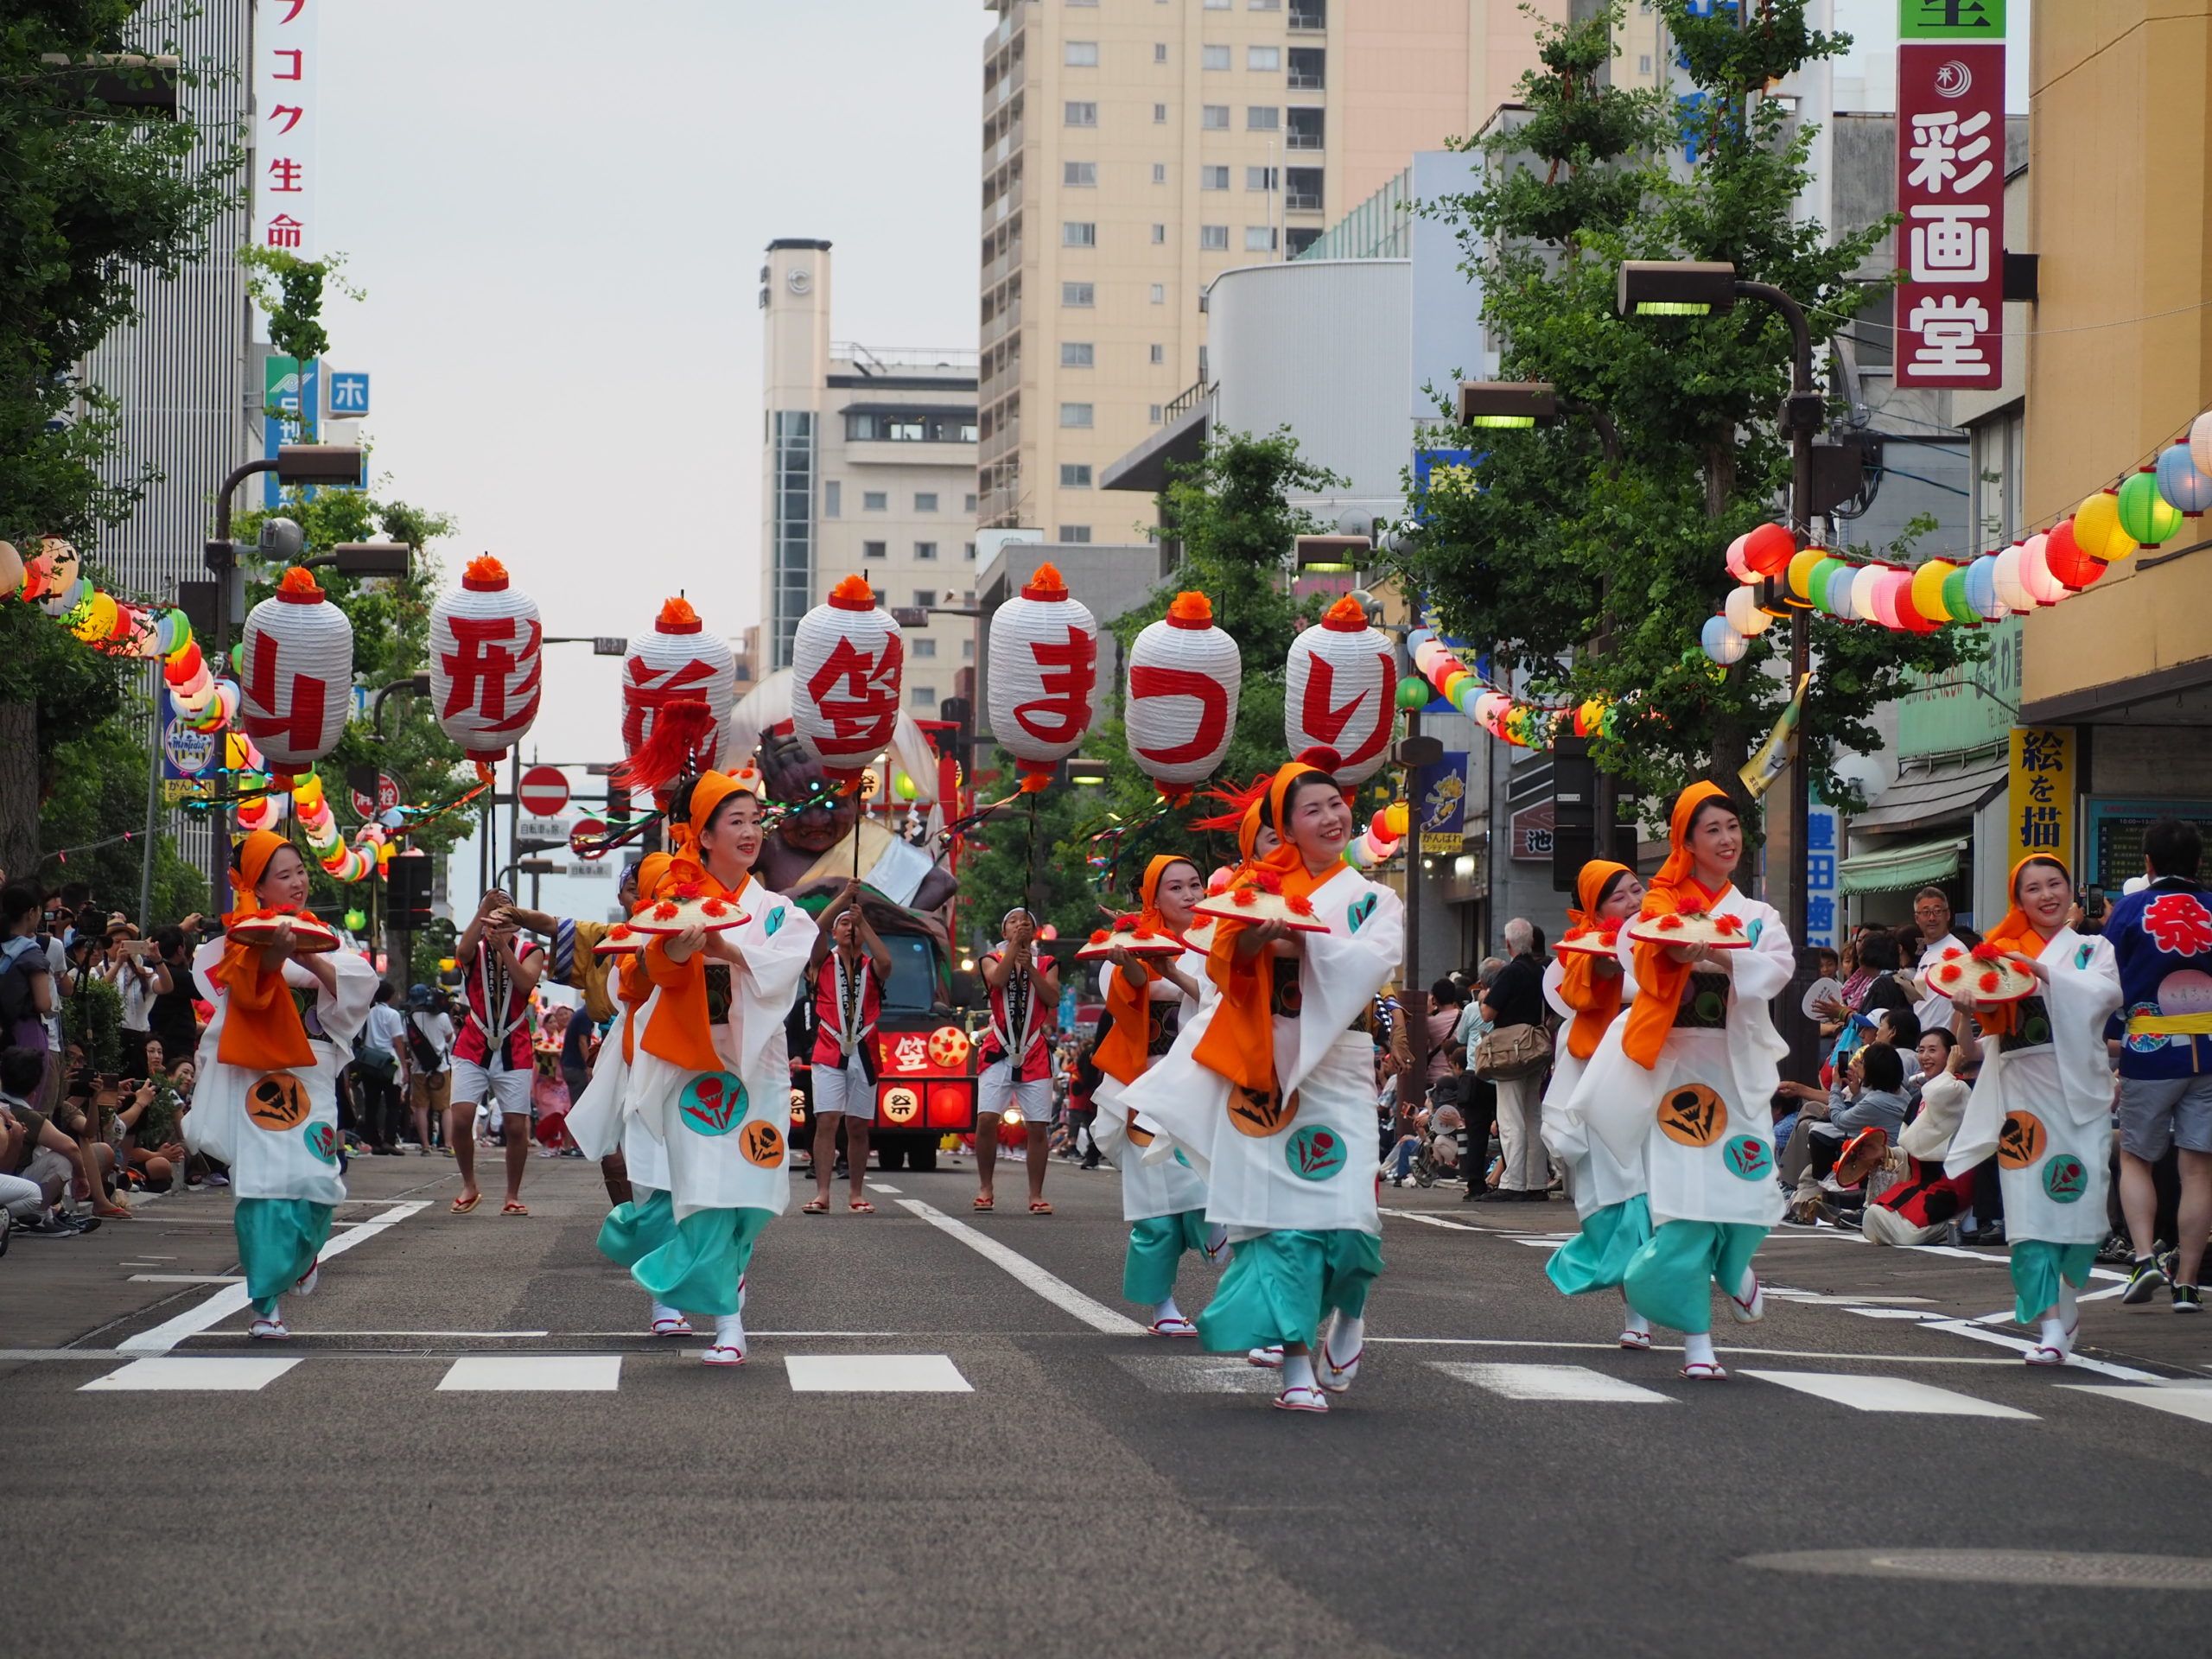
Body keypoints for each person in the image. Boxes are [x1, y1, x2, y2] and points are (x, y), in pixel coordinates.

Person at [1124, 758, 1407, 1413]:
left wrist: (1303, 948)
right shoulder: (1250, 896)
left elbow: (1370, 964)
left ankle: (1349, 1308)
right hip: (1263, 1069)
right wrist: (1257, 943)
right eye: (1313, 810)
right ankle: (1296, 1368)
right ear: (1285, 828)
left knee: (1352, 1226)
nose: (1332, 817)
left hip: (1338, 1064)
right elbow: (1222, 968)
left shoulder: (1373, 897)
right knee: (1279, 1227)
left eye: (1336, 803)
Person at [590, 772, 815, 1364]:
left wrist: (727, 948)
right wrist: (676, 948)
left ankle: (710, 1279)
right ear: (706, 836)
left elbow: (788, 962)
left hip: (758, 1073)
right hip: (695, 1072)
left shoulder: (776, 912)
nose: (750, 832)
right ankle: (729, 1326)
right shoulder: (674, 906)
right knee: (702, 1194)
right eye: (735, 822)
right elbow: (644, 977)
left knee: (750, 1194)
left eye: (755, 820)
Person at [1570, 783, 1789, 1382]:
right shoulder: (1656, 911)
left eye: (1732, 828)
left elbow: (1777, 968)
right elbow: (1633, 969)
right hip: (1679, 1075)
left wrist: (1718, 956)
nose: (1726, 840)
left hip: (1737, 1069)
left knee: (1751, 1193)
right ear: (1687, 842)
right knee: (1687, 1208)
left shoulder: (1756, 915)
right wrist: (1669, 953)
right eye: (1712, 830)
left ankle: (1735, 1266)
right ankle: (1698, 1341)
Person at [181, 831, 378, 1338]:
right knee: (261, 1187)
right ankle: (265, 1306)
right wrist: (275, 955)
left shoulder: (322, 933)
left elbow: (358, 989)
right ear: (258, 886)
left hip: (311, 1072)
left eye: (300, 871)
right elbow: (246, 990)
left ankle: (304, 1255)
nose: (297, 882)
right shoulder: (241, 938)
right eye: (283, 875)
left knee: (319, 1181)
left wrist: (311, 958)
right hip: (260, 1077)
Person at [1943, 855, 2122, 1364]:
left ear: (2071, 890)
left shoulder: (2093, 948)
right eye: (2033, 889)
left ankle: (2064, 1302)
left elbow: (2108, 996)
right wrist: (1967, 1008)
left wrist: (2041, 972)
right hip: (2021, 1098)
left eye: (2055, 884)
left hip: (2081, 1095)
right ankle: (2048, 1325)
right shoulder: (1996, 954)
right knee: (2028, 1214)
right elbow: (1977, 1035)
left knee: (2081, 1207)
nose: (2046, 896)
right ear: (2017, 900)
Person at [1089, 855, 1225, 1336]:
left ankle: (1216, 1238)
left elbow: (1225, 999)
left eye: (1196, 884)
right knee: (1155, 1208)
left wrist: (1174, 966)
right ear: (1154, 898)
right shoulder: (1128, 944)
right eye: (1176, 888)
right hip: (1143, 1087)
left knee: (1210, 1183)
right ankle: (1162, 1305)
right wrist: (1134, 958)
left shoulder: (1221, 942)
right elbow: (1126, 995)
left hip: (1201, 1083)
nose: (1190, 895)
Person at [1539, 860, 1654, 1348]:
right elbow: (1592, 977)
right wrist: (1612, 953)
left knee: (1661, 1198)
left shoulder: (1664, 937)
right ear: (1595, 908)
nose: (1634, 901)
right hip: (1600, 1080)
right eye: (1618, 897)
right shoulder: (1583, 952)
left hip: (1658, 1074)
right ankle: (1638, 1317)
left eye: (1636, 889)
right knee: (1620, 1199)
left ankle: (1720, 1284)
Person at [2102, 817, 2212, 1311]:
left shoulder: (2128, 911)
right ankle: (2187, 1283)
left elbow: (2106, 986)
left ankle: (2145, 1257)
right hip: (2209, 1050)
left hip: (2148, 1050)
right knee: (2197, 1170)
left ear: (2146, 865)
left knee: (2136, 1158)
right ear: (2198, 863)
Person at [447, 889, 544, 1215]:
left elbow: (526, 984)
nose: (499, 925)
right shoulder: (475, 950)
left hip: (514, 1042)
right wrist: (483, 909)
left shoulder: (531, 950)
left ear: (516, 923)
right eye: (494, 918)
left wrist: (505, 948)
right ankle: (469, 1185)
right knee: (460, 1119)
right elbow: (461, 951)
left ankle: (512, 1195)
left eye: (506, 918)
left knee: (516, 1127)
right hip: (473, 1040)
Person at [802, 879, 893, 1215]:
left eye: (851, 925)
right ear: (835, 933)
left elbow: (886, 963)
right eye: (843, 925)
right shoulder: (822, 962)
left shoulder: (872, 966)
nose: (848, 929)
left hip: (866, 1050)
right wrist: (843, 900)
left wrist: (862, 920)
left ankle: (856, 1192)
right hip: (829, 1048)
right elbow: (816, 930)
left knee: (857, 1124)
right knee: (827, 1119)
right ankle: (822, 1193)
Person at [975, 906, 1058, 1215]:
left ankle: (1035, 1195)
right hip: (998, 1046)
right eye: (1012, 922)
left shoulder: (1047, 962)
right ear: (1004, 932)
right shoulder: (990, 959)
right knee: (986, 1119)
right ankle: (986, 1187)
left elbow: (1052, 999)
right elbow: (997, 982)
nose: (1019, 925)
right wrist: (1015, 951)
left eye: (1026, 923)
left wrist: (1031, 968)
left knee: (1037, 1125)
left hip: (1034, 1049)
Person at [1473, 918, 1549, 1202]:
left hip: (1510, 1051)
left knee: (1510, 1116)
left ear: (1508, 944)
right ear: (1531, 942)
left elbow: (1488, 1015)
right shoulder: (1541, 971)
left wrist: (1484, 998)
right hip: (1536, 1048)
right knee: (1534, 1116)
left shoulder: (1510, 973)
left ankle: (1513, 1182)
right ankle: (1536, 1182)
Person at [399, 985, 454, 1154]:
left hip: (419, 1069)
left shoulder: (408, 1019)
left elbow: (406, 1043)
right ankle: (448, 1144)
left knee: (421, 1108)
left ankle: (425, 1145)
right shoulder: (443, 1017)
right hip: (441, 1069)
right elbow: (451, 1040)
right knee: (445, 1107)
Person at [1907, 887, 1967, 1038]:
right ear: (1917, 918)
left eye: (1937, 911)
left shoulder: (1956, 951)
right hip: (1924, 1043)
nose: (1932, 918)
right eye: (1926, 913)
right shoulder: (1927, 955)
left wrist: (1953, 1045)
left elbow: (1962, 1005)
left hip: (1942, 1044)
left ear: (1947, 915)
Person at [356, 982, 407, 1154]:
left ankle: (373, 1141)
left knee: (372, 1103)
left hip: (370, 1062)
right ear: (390, 996)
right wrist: (405, 1067)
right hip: (389, 1063)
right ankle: (389, 1140)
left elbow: (362, 1037)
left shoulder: (368, 1013)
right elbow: (398, 1042)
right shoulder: (393, 1015)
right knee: (393, 1104)